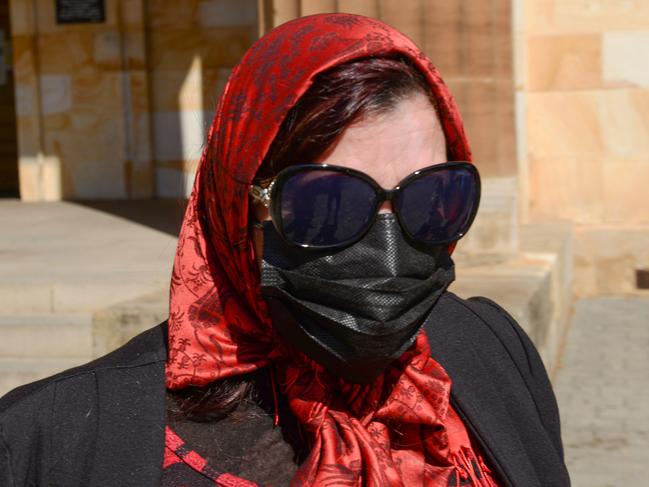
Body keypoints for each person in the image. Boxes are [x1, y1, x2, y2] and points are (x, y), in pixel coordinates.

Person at [0, 13, 570, 487]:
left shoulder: (492, 350)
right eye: (329, 203)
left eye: (433, 197)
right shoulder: (53, 443)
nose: (391, 252)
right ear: (236, 206)